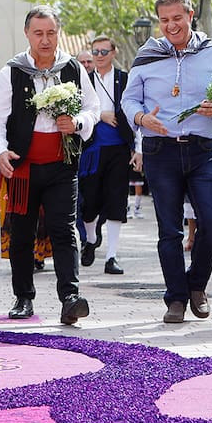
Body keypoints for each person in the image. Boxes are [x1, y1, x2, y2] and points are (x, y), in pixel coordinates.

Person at [0, 5, 99, 325]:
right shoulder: (12, 71)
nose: (45, 40)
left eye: (51, 33)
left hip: (62, 164)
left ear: (58, 33)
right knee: (22, 233)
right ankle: (23, 297)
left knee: (64, 231)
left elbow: (92, 108)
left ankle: (70, 298)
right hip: (22, 167)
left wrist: (77, 123)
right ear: (27, 34)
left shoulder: (73, 68)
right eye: (38, 33)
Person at [121, 0, 212, 324]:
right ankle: (176, 299)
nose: (171, 25)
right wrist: (142, 119)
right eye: (164, 20)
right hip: (160, 150)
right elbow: (128, 100)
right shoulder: (147, 55)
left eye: (177, 18)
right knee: (170, 230)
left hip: (203, 149)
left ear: (190, 16)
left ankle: (196, 285)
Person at [79, 35, 136, 275]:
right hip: (91, 148)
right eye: (96, 52)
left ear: (113, 53)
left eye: (104, 51)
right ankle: (91, 239)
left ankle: (112, 256)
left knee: (116, 201)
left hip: (119, 147)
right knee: (89, 202)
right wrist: (101, 114)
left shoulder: (125, 79)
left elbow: (135, 109)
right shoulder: (83, 80)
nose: (99, 56)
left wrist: (138, 148)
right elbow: (77, 110)